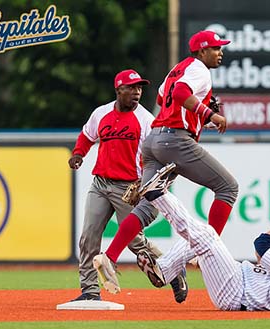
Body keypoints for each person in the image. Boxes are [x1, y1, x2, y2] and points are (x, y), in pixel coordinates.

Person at [93, 30, 239, 298]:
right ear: (201, 51)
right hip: (175, 142)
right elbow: (182, 93)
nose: (221, 52)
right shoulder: (199, 70)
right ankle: (205, 251)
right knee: (228, 188)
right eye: (216, 48)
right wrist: (209, 114)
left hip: (153, 142)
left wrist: (198, 116)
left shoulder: (177, 69)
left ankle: (109, 257)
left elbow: (164, 99)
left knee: (148, 207)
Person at [97, 163, 270, 311]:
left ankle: (157, 194)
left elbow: (261, 244)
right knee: (199, 240)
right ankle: (164, 270)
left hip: (235, 291)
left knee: (207, 237)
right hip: (238, 283)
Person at [68, 69, 184, 302]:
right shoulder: (101, 114)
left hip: (129, 188)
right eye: (131, 88)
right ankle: (89, 291)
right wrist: (78, 153)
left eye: (140, 88)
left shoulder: (145, 121)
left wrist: (147, 185)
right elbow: (87, 135)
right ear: (118, 89)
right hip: (100, 184)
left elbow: (156, 155)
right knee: (89, 236)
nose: (137, 92)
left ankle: (172, 271)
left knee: (134, 241)